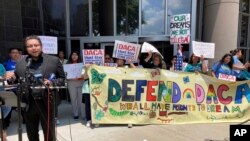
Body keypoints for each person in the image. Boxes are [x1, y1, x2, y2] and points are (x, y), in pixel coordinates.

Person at [6, 35, 65, 141]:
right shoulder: (20, 62)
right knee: (31, 134)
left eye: (36, 45)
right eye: (30, 46)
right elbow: (16, 79)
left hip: (47, 102)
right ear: (26, 48)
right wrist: (11, 78)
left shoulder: (54, 60)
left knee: (49, 134)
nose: (33, 48)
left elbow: (62, 79)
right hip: (28, 104)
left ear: (41, 46)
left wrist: (52, 82)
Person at [67, 51, 85, 120]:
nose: (74, 56)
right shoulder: (67, 64)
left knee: (81, 100)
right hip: (71, 83)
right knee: (73, 99)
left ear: (78, 56)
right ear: (71, 56)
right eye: (73, 55)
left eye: (76, 55)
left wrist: (80, 77)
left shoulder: (82, 64)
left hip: (80, 82)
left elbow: (84, 74)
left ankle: (83, 114)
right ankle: (75, 114)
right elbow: (65, 75)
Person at [0, 63, 11, 141]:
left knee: (7, 107)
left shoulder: (0, 65)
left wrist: (6, 77)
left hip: (1, 90)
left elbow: (4, 77)